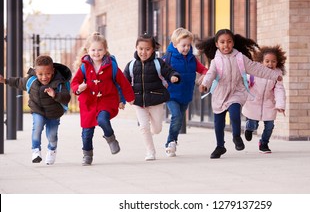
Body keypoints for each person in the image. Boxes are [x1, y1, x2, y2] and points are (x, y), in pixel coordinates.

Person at [196, 29, 283, 159]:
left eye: (229, 41)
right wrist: (205, 85)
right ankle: (220, 146)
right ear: (217, 44)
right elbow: (210, 74)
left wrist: (275, 75)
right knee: (218, 123)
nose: (226, 45)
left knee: (235, 111)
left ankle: (236, 136)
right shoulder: (216, 61)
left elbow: (257, 68)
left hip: (236, 92)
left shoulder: (240, 58)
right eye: (222, 42)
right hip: (220, 94)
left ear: (233, 43)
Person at [71, 32, 135, 165]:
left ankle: (111, 138)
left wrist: (129, 98)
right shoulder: (84, 67)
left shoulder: (111, 66)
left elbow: (123, 82)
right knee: (86, 133)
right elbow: (74, 83)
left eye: (100, 49)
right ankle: (87, 155)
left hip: (106, 101)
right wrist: (79, 87)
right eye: (93, 50)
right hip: (88, 103)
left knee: (102, 119)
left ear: (105, 50)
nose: (96, 53)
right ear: (88, 51)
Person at [0, 55, 71, 165]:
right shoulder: (31, 80)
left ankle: (52, 149)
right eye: (40, 74)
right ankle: (36, 151)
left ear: (53, 71)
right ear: (35, 72)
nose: (44, 77)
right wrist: (5, 80)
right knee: (37, 127)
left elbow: (67, 97)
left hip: (54, 113)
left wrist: (55, 94)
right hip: (38, 110)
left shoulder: (59, 82)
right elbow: (19, 82)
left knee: (52, 136)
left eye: (47, 73)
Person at [123, 34, 180, 161]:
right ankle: (150, 152)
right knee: (143, 127)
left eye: (147, 49)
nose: (144, 52)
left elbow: (169, 71)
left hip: (156, 100)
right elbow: (123, 82)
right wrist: (123, 99)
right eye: (141, 49)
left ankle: (151, 132)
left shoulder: (158, 63)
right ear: (136, 48)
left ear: (153, 49)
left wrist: (173, 76)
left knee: (157, 128)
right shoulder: (131, 65)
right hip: (138, 101)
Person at [163, 27, 208, 157]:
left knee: (179, 120)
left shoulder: (192, 59)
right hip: (171, 94)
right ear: (175, 44)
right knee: (176, 116)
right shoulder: (168, 58)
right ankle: (170, 142)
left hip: (186, 95)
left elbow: (203, 70)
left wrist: (204, 76)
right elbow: (160, 73)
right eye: (183, 45)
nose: (186, 48)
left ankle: (173, 141)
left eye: (189, 45)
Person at [242, 45, 286, 154]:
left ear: (278, 62)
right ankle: (249, 128)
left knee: (269, 126)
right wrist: (246, 83)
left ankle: (264, 143)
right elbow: (245, 81)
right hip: (253, 102)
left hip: (268, 104)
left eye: (273, 61)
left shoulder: (277, 74)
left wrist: (280, 104)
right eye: (267, 61)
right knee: (253, 124)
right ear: (261, 61)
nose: (270, 64)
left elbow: (279, 90)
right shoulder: (254, 71)